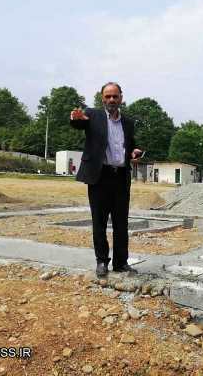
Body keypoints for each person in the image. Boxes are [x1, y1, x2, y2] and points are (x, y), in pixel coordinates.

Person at [70, 82, 142, 277]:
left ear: (121, 98)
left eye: (115, 96)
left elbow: (131, 145)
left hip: (120, 178)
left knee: (121, 223)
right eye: (108, 96)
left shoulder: (128, 122)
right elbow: (79, 123)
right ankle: (101, 261)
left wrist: (135, 152)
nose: (111, 100)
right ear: (102, 98)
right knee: (99, 222)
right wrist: (76, 119)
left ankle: (121, 263)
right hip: (99, 177)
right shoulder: (93, 115)